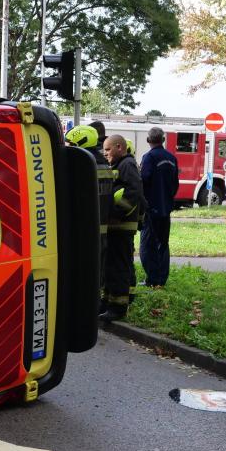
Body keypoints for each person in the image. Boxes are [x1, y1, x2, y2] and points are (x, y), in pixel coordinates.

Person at [100, 134, 145, 322]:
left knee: (119, 267)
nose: (105, 153)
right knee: (112, 266)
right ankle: (108, 303)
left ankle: (118, 308)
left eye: (108, 149)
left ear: (120, 147)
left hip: (122, 225)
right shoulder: (120, 165)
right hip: (117, 226)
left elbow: (133, 193)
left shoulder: (127, 165)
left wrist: (117, 214)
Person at [66, 124, 112, 282]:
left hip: (85, 231)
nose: (68, 148)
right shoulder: (104, 164)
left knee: (83, 275)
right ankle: (95, 304)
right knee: (97, 273)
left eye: (71, 145)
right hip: (101, 229)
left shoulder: (84, 165)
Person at [139, 127, 179, 287]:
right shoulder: (172, 158)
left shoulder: (148, 157)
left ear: (148, 140)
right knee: (163, 243)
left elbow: (143, 180)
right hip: (165, 208)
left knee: (147, 245)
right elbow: (175, 184)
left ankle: (152, 279)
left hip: (151, 208)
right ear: (163, 140)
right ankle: (162, 278)